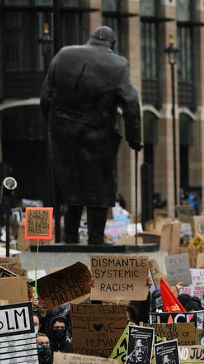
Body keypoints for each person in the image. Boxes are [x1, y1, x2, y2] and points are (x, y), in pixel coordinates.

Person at [40, 26, 142, 245]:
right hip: (97, 135)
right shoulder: (118, 65)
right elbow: (131, 103)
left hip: (62, 133)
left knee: (71, 185)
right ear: (112, 44)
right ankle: (95, 238)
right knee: (100, 186)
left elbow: (46, 98)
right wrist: (135, 138)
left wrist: (56, 126)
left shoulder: (63, 54)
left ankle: (70, 236)